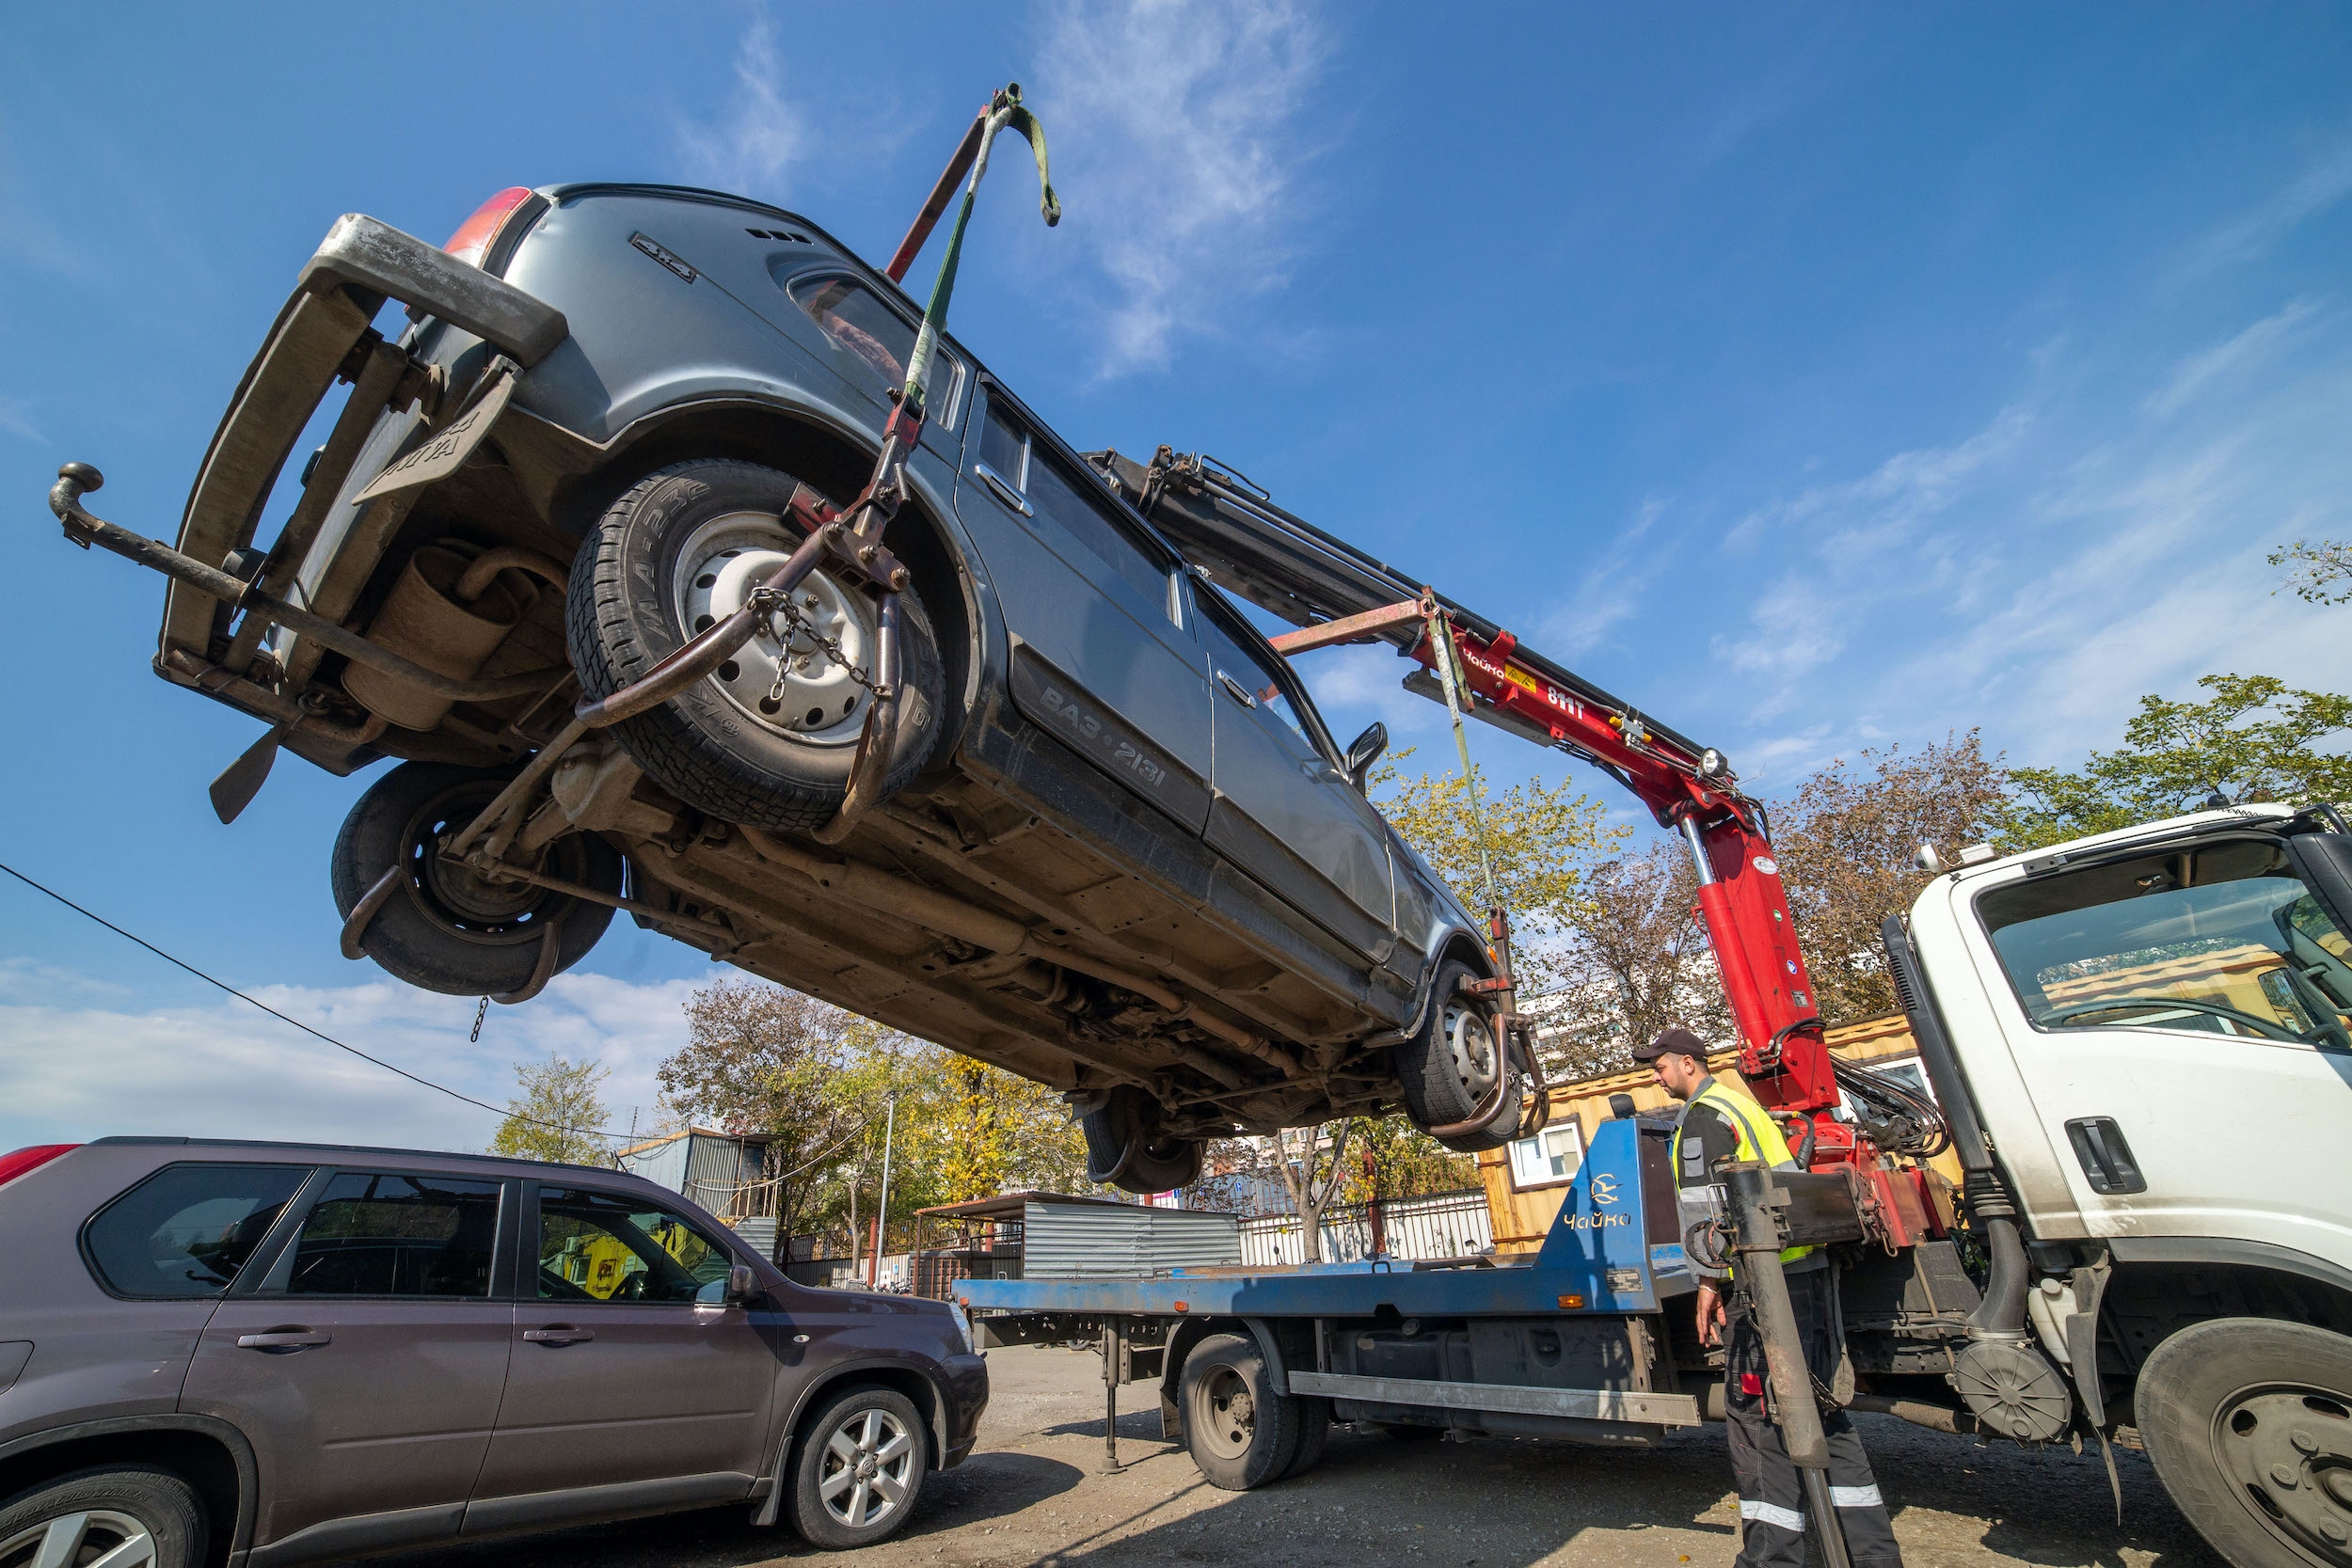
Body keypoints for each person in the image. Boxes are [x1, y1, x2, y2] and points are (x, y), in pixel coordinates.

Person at [1634, 1026, 1903, 1568]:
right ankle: (1872, 1553)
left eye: (1660, 1066)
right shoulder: (1741, 1104)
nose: (1657, 1077)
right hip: (1801, 1272)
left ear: (1689, 1063)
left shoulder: (1704, 1117)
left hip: (1763, 1287)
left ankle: (1772, 1559)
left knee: (1756, 1418)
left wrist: (1707, 1284)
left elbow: (1706, 1211)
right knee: (1821, 1408)